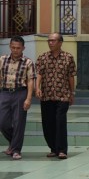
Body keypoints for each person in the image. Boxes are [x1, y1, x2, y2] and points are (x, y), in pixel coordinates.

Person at [35, 32, 76, 160]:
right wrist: (37, 88)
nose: (50, 43)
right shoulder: (43, 58)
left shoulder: (68, 57)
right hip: (46, 95)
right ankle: (53, 148)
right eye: (49, 41)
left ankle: (62, 150)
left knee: (60, 122)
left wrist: (72, 93)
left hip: (62, 95)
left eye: (53, 40)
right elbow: (39, 74)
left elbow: (71, 76)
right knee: (48, 123)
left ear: (60, 42)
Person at [0, 36, 35, 160]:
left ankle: (15, 150)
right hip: (4, 93)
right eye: (13, 47)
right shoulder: (2, 60)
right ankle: (13, 143)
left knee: (19, 122)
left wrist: (29, 98)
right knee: (2, 122)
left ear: (23, 48)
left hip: (20, 93)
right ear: (10, 46)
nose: (15, 50)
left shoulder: (28, 62)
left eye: (18, 48)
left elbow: (30, 81)